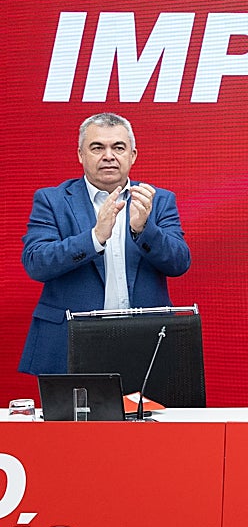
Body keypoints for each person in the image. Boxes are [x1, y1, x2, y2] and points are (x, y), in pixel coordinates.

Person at [20, 113, 191, 375]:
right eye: (97, 147)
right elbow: (37, 263)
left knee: (149, 417)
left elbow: (179, 263)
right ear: (80, 154)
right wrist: (95, 238)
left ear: (132, 155)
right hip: (71, 342)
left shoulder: (156, 200)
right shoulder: (52, 200)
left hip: (145, 341)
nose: (109, 155)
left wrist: (144, 229)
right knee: (73, 417)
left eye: (118, 147)